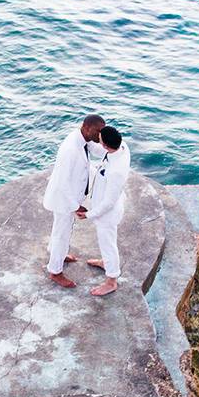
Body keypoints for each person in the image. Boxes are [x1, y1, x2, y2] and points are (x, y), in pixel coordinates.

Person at [42, 114, 106, 288]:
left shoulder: (84, 139)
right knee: (62, 234)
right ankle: (55, 271)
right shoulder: (70, 150)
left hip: (68, 197)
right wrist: (76, 206)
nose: (100, 135)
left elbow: (97, 149)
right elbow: (62, 184)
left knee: (60, 229)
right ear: (86, 127)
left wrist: (115, 146)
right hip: (63, 199)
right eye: (98, 131)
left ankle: (58, 254)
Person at [77, 125, 130, 296]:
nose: (97, 141)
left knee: (108, 245)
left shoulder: (116, 172)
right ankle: (106, 262)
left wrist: (88, 214)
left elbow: (108, 203)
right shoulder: (122, 147)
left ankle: (111, 280)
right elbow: (102, 150)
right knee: (107, 243)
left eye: (99, 140)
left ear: (106, 146)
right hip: (107, 208)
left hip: (107, 215)